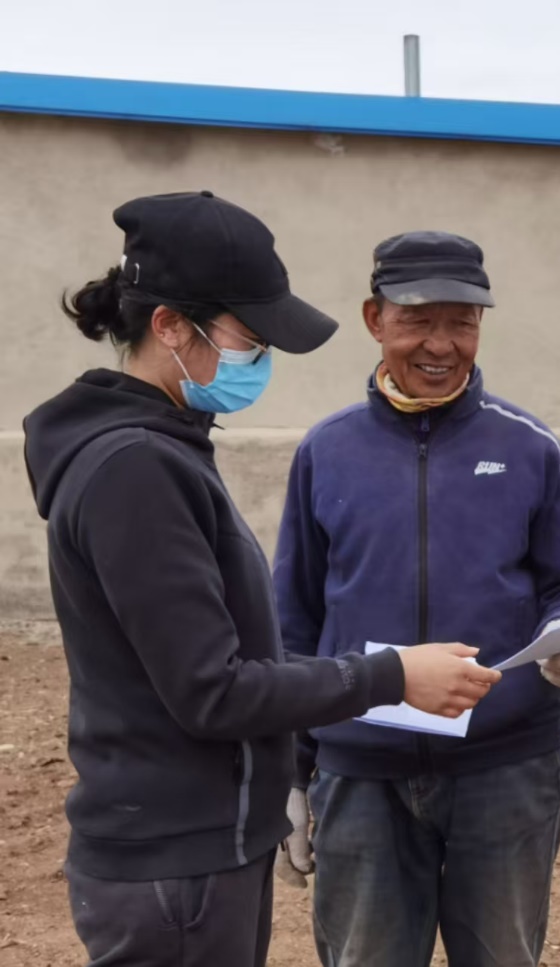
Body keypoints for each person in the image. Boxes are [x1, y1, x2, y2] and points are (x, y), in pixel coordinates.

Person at [23, 191, 500, 967]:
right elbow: (211, 689)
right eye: (250, 337)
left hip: (194, 843)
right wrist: (392, 675)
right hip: (175, 866)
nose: (264, 359)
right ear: (171, 325)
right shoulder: (137, 470)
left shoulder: (159, 448)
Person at [273, 230, 560, 967]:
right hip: (358, 768)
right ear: (374, 318)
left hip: (507, 767)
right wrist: (287, 777)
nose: (442, 343)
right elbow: (293, 619)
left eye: (462, 321)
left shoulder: (529, 446)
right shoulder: (326, 451)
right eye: (419, 319)